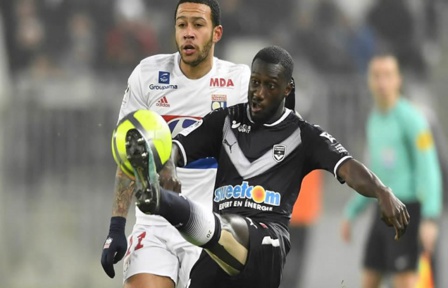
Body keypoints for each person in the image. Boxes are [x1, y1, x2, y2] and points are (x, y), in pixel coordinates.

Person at [123, 46, 410, 288]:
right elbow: (177, 147)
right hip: (216, 249)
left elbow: (349, 168)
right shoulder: (224, 121)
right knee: (218, 240)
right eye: (254, 82)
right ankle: (170, 205)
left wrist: (382, 192)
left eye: (270, 86)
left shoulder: (305, 135)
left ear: (288, 88)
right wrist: (169, 165)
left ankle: (165, 204)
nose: (258, 93)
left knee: (232, 228)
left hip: (266, 241)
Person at [100, 1, 252, 288]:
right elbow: (129, 155)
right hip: (155, 224)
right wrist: (116, 226)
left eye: (198, 25)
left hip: (210, 226)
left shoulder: (238, 82)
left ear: (216, 33)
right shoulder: (148, 75)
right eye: (182, 25)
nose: (188, 33)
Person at [340, 53, 442, 288]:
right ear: (369, 81)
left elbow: (429, 170)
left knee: (404, 282)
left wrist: (430, 217)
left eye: (388, 75)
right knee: (369, 278)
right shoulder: (374, 119)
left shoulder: (413, 119)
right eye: (377, 76)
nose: (382, 82)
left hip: (408, 212)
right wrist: (352, 211)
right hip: (383, 211)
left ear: (398, 80)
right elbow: (375, 174)